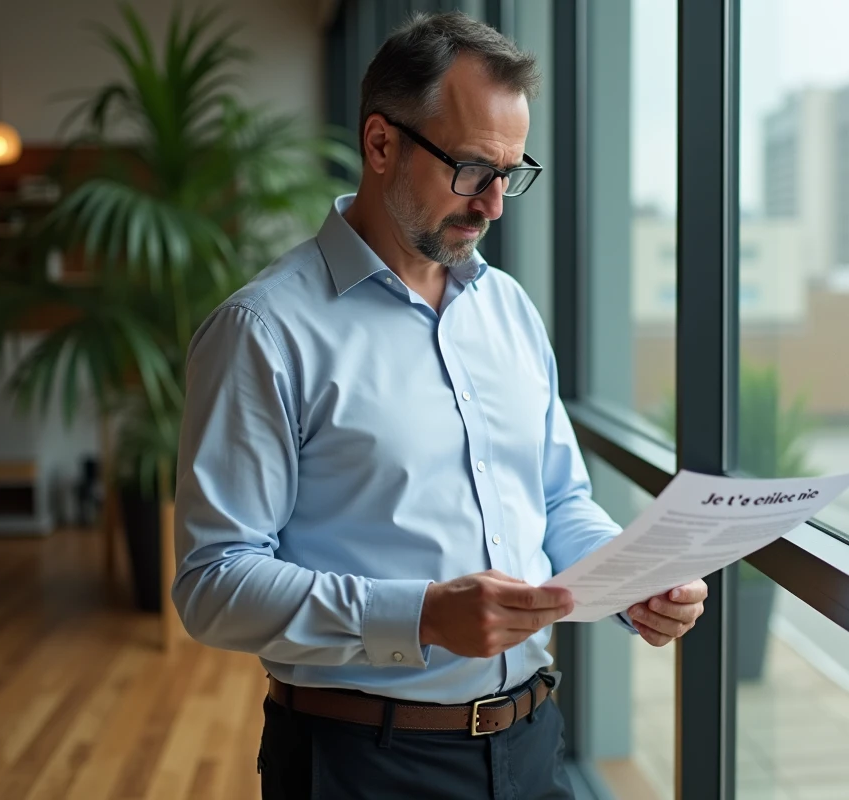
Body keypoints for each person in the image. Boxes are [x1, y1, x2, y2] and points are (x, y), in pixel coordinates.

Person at [172, 11, 707, 799]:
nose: (493, 204)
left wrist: (631, 581)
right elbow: (213, 584)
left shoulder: (510, 309)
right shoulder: (264, 331)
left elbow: (558, 498)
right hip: (363, 765)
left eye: (511, 172)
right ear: (381, 144)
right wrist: (420, 616)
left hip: (531, 746)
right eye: (469, 169)